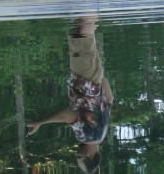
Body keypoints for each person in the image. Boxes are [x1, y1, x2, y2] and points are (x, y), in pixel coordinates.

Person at [26, 17, 113, 173]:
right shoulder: (86, 137)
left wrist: (99, 77)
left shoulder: (103, 132)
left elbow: (110, 98)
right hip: (83, 74)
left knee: (83, 32)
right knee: (81, 32)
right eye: (79, 158)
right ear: (90, 156)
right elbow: (67, 115)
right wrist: (40, 122)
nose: (76, 154)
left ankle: (89, 2)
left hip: (93, 76)